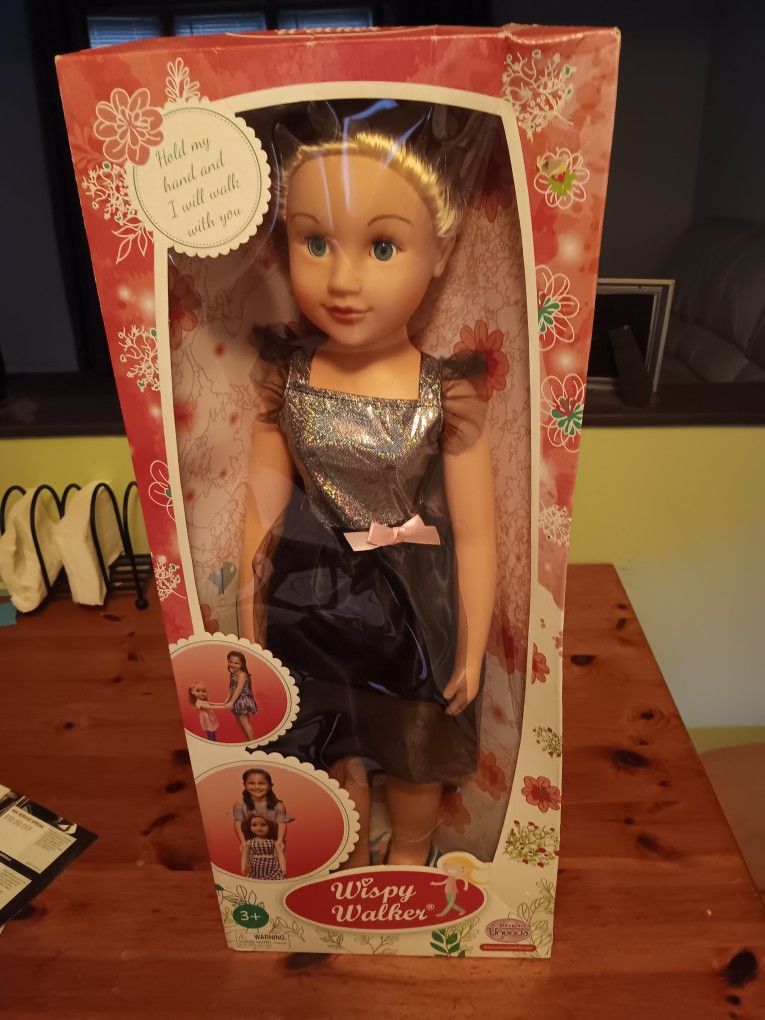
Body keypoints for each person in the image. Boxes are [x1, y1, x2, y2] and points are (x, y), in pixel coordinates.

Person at [238, 128, 497, 866]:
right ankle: (343, 866)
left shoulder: (445, 391)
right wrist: (247, 623)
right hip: (307, 601)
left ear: (440, 252)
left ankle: (410, 862)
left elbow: (477, 534)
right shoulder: (286, 381)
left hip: (413, 603)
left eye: (382, 247)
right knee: (329, 751)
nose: (343, 281)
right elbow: (260, 509)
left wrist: (473, 645)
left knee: (414, 748)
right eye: (315, 242)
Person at [231, 767, 293, 854]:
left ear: (270, 786)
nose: (257, 787)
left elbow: (281, 823)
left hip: (274, 845)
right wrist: (243, 841)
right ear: (245, 785)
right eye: (252, 783)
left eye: (262, 783)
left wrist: (280, 840)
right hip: (251, 845)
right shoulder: (239, 805)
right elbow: (238, 823)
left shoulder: (278, 805)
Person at [211, 650, 258, 742]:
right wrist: (228, 698)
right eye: (231, 662)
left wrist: (231, 702)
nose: (233, 665)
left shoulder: (242, 674)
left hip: (243, 700)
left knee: (244, 721)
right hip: (237, 700)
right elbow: (232, 687)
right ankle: (248, 740)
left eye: (236, 663)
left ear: (242, 664)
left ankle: (252, 742)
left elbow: (239, 689)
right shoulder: (233, 673)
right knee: (239, 721)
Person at [240, 814, 287, 880]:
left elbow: (280, 854)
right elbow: (245, 855)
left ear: (270, 826)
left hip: (272, 867)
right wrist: (243, 866)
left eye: (263, 825)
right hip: (256, 868)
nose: (259, 828)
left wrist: (283, 867)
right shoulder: (250, 842)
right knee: (256, 881)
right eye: (254, 825)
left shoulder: (273, 842)